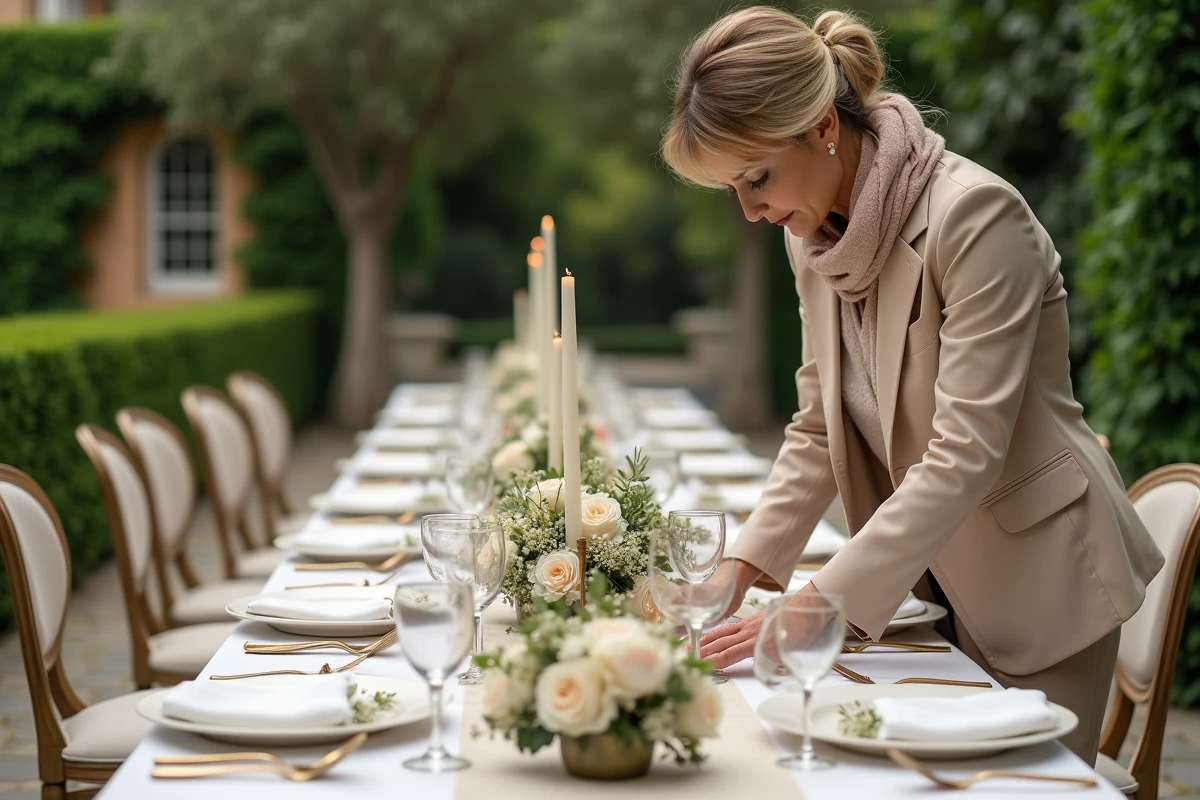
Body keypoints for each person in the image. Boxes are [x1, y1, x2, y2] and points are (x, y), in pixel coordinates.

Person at [660, 6, 1164, 763]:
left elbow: (966, 453)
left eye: (757, 178)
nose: (753, 210)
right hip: (924, 591)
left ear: (825, 127)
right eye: (732, 187)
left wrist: (816, 603)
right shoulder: (816, 241)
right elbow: (818, 430)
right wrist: (740, 568)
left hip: (1039, 590)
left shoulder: (977, 218)